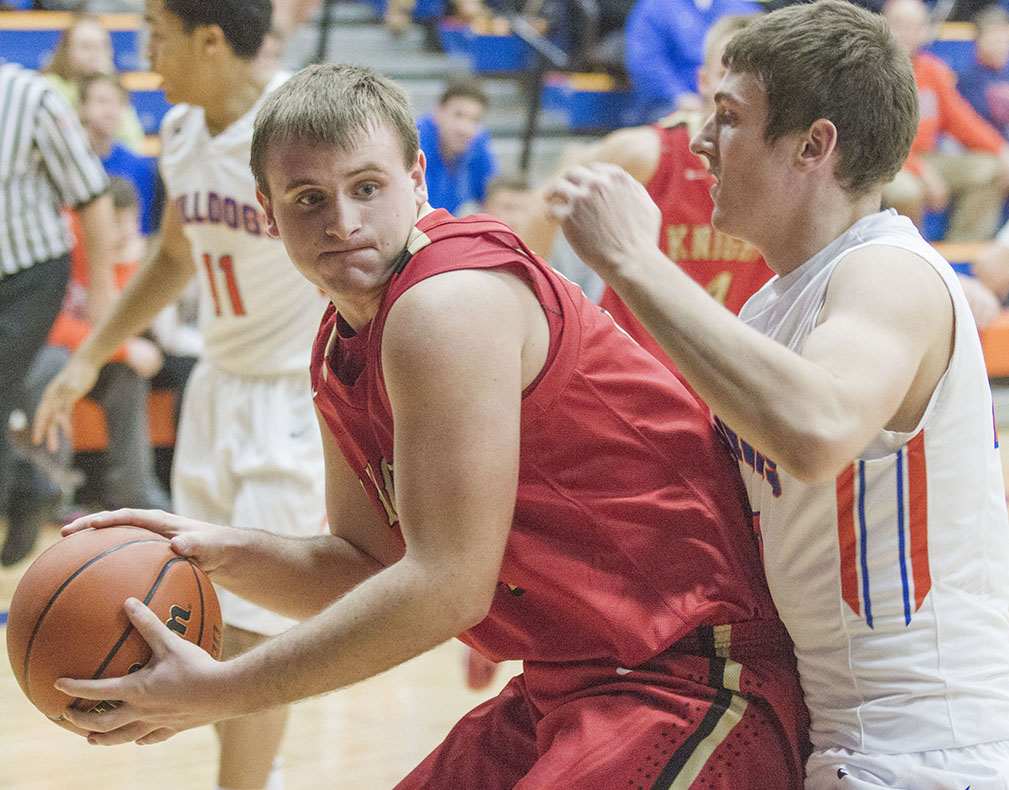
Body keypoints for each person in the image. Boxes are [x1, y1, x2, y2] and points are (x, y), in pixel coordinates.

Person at [48, 62, 810, 790]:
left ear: (416, 179)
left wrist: (220, 692)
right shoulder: (336, 343)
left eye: (367, 187)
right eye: (308, 198)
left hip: (697, 676)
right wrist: (212, 554)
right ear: (265, 210)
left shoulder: (445, 304)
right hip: (573, 682)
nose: (343, 223)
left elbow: (446, 589)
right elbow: (366, 565)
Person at [546, 1, 1009, 786]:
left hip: (929, 749)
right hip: (832, 730)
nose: (698, 140)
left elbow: (816, 426)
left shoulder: (886, 270)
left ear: (812, 145)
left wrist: (634, 259)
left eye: (726, 117)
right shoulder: (770, 307)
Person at [33, 2, 328, 789]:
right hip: (217, 390)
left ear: (207, 39)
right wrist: (89, 355)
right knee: (221, 622)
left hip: (294, 398)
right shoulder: (184, 129)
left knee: (261, 640)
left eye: (157, 36)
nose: (145, 53)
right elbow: (173, 254)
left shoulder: (302, 121)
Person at [525, 13, 771, 379]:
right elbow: (542, 205)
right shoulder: (650, 152)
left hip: (729, 380)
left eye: (757, 84)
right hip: (630, 375)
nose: (739, 95)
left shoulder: (790, 176)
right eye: (727, 76)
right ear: (703, 82)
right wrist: (536, 317)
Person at [0, 61, 116, 567]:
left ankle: (27, 488)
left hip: (29, 274)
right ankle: (32, 486)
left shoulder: (32, 98)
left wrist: (103, 298)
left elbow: (92, 197)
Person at [32, 176, 171, 513]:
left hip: (85, 355)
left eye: (129, 223)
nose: (123, 233)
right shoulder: (59, 250)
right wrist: (123, 348)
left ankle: (133, 492)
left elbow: (120, 322)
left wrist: (122, 265)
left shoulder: (125, 257)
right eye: (114, 223)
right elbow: (49, 328)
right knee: (52, 365)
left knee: (126, 375)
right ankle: (48, 488)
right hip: (45, 354)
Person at [882, 0, 1009, 241]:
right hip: (887, 164)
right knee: (906, 192)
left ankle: (961, 253)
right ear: (885, 26)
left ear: (925, 30)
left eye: (915, 26)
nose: (908, 33)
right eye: (902, 25)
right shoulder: (874, 73)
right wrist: (922, 172)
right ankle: (910, 254)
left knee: (990, 169)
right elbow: (877, 142)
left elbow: (962, 121)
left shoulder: (933, 71)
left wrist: (1001, 149)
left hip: (930, 158)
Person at [623, 0, 763, 122]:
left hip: (739, 100)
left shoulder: (744, 6)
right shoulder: (654, 6)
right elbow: (645, 62)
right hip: (670, 104)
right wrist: (680, 97)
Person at [43, 14, 147, 152]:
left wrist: (110, 85)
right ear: (66, 50)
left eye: (102, 46)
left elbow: (134, 141)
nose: (95, 54)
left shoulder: (113, 87)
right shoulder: (49, 88)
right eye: (86, 47)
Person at [78, 73, 164, 235]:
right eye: (101, 101)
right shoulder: (69, 163)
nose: (109, 111)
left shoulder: (139, 166)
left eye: (117, 103)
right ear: (82, 107)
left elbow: (143, 232)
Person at [416, 76, 499, 215]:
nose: (465, 128)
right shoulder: (416, 141)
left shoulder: (479, 142)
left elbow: (494, 198)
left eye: (475, 120)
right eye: (458, 115)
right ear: (438, 112)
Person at [957, 5, 1009, 137]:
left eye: (1003, 39)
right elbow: (969, 123)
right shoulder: (966, 77)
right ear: (978, 40)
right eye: (993, 38)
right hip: (980, 146)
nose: (999, 45)